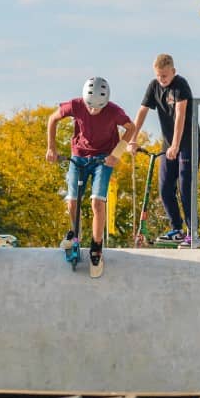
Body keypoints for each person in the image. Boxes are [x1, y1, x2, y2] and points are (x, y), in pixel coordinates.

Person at [46, 76, 136, 269]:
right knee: (72, 200)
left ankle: (96, 245)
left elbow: (131, 127)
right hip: (78, 156)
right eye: (90, 106)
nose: (94, 110)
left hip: (103, 159)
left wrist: (117, 153)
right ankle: (74, 233)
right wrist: (51, 148)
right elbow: (52, 119)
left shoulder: (114, 111)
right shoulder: (76, 105)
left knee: (97, 202)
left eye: (98, 107)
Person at [127, 53, 198, 246]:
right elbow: (141, 112)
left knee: (185, 186)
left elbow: (180, 116)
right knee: (165, 187)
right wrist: (133, 139)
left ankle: (193, 233)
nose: (162, 79)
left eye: (165, 76)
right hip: (169, 144)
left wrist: (176, 145)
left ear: (173, 71)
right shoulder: (154, 86)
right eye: (159, 76)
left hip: (187, 142)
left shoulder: (180, 85)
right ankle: (177, 228)